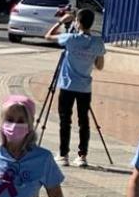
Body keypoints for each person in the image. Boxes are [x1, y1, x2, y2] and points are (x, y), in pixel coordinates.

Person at [45, 9, 105, 168]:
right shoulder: (98, 42)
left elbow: (48, 36)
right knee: (83, 121)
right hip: (85, 87)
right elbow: (99, 66)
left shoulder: (70, 39)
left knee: (65, 120)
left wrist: (61, 21)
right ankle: (82, 156)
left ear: (77, 22)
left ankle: (63, 154)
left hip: (67, 85)